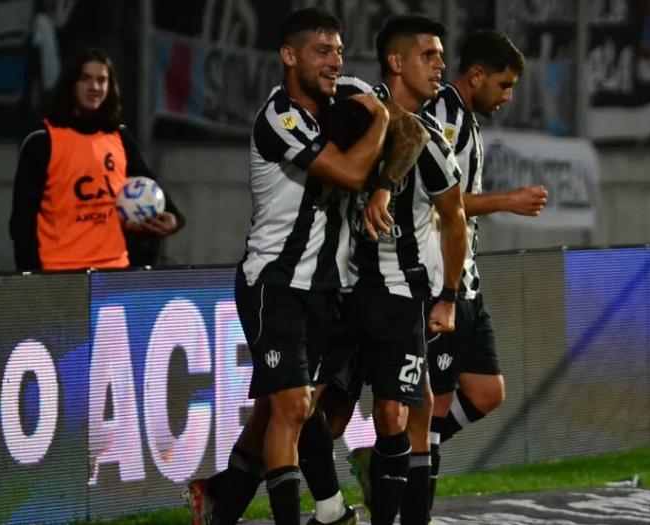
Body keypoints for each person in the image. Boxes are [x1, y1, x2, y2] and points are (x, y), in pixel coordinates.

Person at [184, 8, 390, 525]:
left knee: (291, 412)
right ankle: (323, 513)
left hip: (324, 288)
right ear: (290, 56)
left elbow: (404, 127)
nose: (335, 61)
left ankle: (220, 502)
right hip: (273, 281)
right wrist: (383, 122)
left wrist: (386, 174)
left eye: (340, 51)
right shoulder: (280, 117)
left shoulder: (346, 95)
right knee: (295, 407)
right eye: (322, 51)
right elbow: (346, 171)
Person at [404, 29, 542, 524]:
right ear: (476, 75)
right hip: (441, 280)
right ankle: (405, 499)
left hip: (467, 280)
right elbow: (442, 204)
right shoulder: (441, 113)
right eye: (503, 85)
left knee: (486, 392)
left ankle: (396, 472)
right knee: (432, 411)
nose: (507, 97)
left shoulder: (463, 118)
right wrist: (507, 201)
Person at [345, 14, 467, 525]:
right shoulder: (355, 101)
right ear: (396, 62)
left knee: (396, 412)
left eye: (441, 55)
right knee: (312, 412)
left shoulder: (436, 140)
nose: (441, 65)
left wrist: (448, 297)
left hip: (399, 293)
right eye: (428, 55)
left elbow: (454, 218)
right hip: (340, 288)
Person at [10, 47, 184, 272]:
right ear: (70, 84)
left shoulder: (119, 136)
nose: (94, 87)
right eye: (86, 79)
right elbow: (22, 222)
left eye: (102, 80)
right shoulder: (42, 140)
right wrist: (31, 280)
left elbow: (153, 188)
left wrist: (175, 220)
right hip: (59, 273)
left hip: (115, 272)